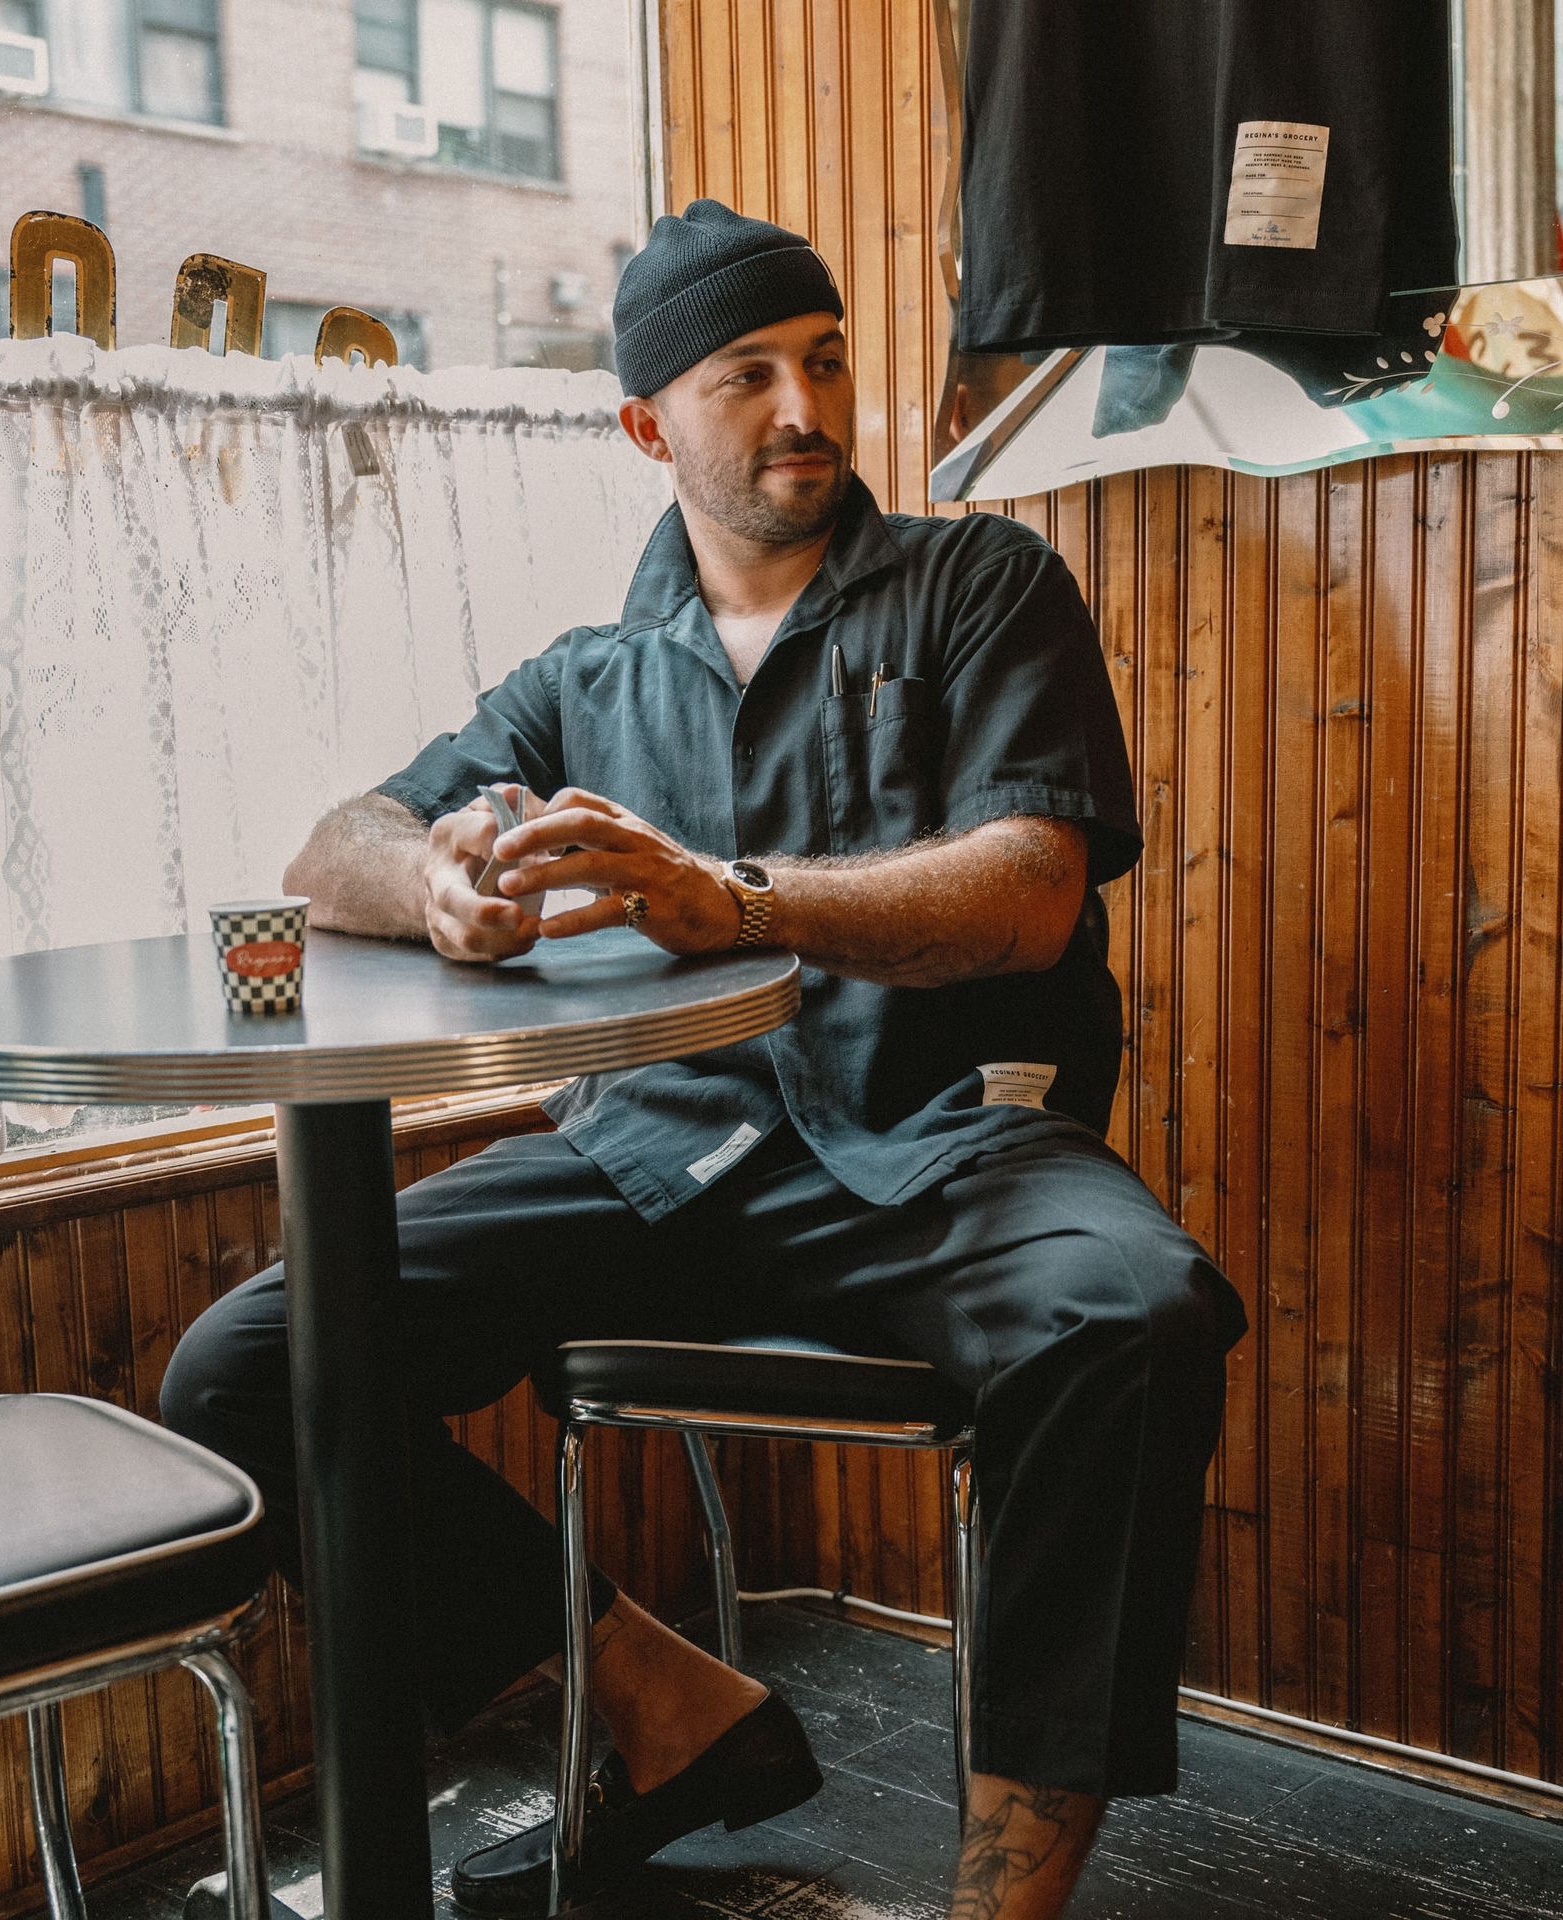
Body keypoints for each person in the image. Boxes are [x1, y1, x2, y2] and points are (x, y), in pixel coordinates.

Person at [161, 198, 1247, 1920]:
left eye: (820, 359)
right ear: (647, 426)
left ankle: (1002, 1903)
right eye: (746, 374)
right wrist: (439, 889)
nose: (806, 403)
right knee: (253, 1369)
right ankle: (675, 1718)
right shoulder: (588, 675)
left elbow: (1032, 891)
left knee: (1134, 1315)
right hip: (647, 1150)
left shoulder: (981, 585)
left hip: (936, 1147)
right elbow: (330, 846)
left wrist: (731, 899)